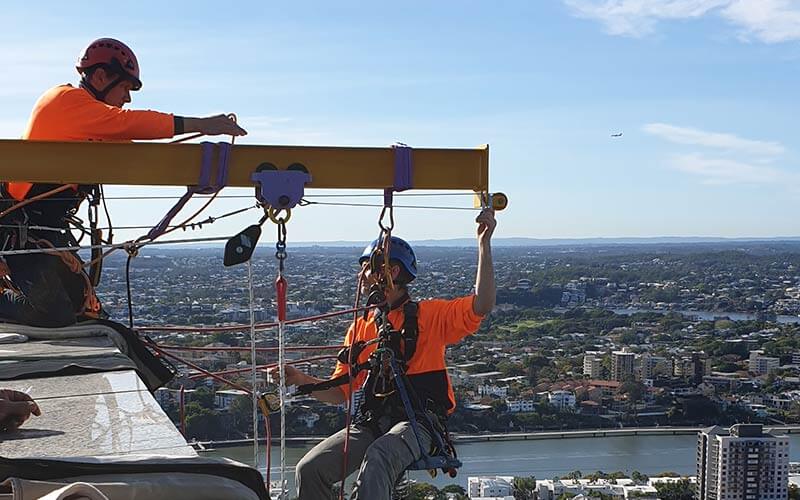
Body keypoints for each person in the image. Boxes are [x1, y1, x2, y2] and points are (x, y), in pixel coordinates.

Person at [0, 38, 247, 328]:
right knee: (50, 314)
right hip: (18, 228)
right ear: (101, 76)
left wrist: (193, 174)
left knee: (82, 310)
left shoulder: (92, 124)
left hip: (42, 231)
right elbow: (128, 123)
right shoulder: (64, 101)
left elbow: (136, 153)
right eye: (125, 88)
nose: (127, 98)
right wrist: (199, 124)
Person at [271, 208, 496, 500]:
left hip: (421, 422)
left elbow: (483, 304)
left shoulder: (431, 315)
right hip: (373, 423)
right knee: (309, 468)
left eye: (367, 267)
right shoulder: (362, 328)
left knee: (379, 455)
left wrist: (483, 244)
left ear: (392, 272)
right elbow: (341, 392)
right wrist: (300, 380)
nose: (361, 275)